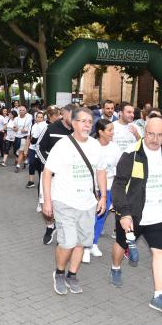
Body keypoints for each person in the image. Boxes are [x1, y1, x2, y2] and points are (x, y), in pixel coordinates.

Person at [110, 116, 162, 314]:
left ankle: (159, 295)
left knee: (160, 252)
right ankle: (115, 267)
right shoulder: (130, 154)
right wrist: (124, 213)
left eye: (160, 135)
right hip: (133, 214)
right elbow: (119, 185)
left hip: (159, 215)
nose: (155, 139)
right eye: (151, 134)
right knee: (121, 246)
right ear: (144, 132)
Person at [42, 107, 107, 295]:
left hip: (87, 203)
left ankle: (72, 275)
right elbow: (47, 173)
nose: (88, 124)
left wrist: (102, 196)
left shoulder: (95, 145)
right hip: (64, 201)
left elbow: (101, 171)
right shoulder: (63, 145)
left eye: (90, 121)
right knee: (68, 242)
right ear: (75, 123)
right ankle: (59, 273)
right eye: (83, 121)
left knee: (81, 243)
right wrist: (47, 201)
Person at [36, 104, 77, 244]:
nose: (75, 119)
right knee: (45, 207)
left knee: (62, 205)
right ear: (63, 114)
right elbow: (38, 147)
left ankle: (61, 230)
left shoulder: (77, 131)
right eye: (72, 115)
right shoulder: (50, 128)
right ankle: (50, 226)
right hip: (49, 175)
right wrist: (49, 166)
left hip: (66, 178)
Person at [90, 119, 121, 258]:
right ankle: (83, 244)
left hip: (109, 188)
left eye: (113, 129)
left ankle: (93, 244)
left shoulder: (115, 147)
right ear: (100, 132)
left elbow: (120, 167)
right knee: (91, 218)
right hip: (92, 190)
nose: (112, 133)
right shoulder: (91, 146)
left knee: (101, 217)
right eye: (110, 130)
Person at [26, 111, 47, 189]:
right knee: (31, 163)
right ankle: (31, 181)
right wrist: (26, 149)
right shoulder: (33, 125)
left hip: (41, 149)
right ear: (36, 118)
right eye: (38, 117)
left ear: (44, 118)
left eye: (41, 117)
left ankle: (42, 182)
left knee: (40, 166)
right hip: (32, 148)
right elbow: (29, 137)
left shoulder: (46, 126)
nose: (40, 119)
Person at [14, 105, 32, 172]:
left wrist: (26, 131)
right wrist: (14, 128)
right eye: (20, 110)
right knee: (18, 151)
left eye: (23, 110)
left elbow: (30, 129)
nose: (21, 111)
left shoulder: (29, 119)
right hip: (17, 137)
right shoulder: (16, 119)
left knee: (21, 151)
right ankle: (25, 161)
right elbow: (14, 128)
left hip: (24, 137)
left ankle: (18, 166)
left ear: (26, 111)